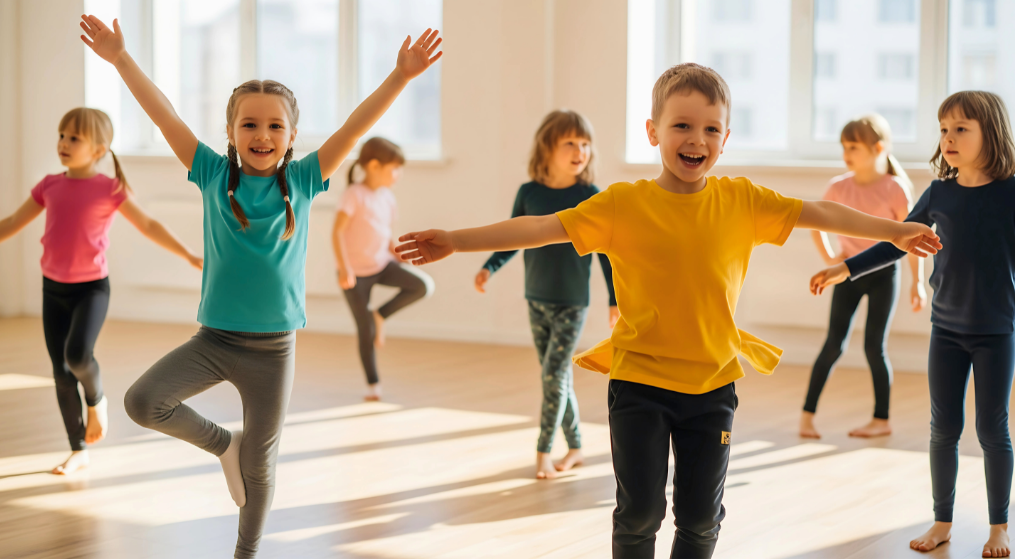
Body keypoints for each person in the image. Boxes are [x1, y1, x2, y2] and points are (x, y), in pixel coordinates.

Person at [394, 63, 939, 558]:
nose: (695, 138)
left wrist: (897, 230)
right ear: (653, 132)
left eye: (709, 128)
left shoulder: (742, 201)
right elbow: (540, 228)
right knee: (639, 514)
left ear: (725, 139)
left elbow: (818, 212)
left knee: (700, 519)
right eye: (681, 125)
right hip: (638, 383)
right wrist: (454, 240)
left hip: (712, 386)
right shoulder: (622, 205)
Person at [80, 13, 442, 558]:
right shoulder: (209, 172)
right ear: (231, 133)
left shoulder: (303, 179)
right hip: (214, 341)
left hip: (274, 351)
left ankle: (245, 553)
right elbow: (164, 115)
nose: (262, 135)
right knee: (142, 401)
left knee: (262, 465)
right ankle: (224, 444)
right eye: (249, 124)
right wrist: (121, 59)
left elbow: (355, 126)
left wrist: (401, 77)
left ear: (292, 135)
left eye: (275, 125)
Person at [811, 90, 1015, 559]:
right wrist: (845, 268)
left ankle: (999, 526)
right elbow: (897, 239)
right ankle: (942, 520)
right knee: (943, 428)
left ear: (992, 133)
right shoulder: (939, 192)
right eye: (944, 129)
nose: (949, 137)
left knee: (991, 429)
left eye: (961, 128)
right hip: (946, 330)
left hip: (996, 332)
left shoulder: (1008, 194)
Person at [0, 107, 201, 475]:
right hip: (52, 288)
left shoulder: (110, 189)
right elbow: (11, 221)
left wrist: (186, 254)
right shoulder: (49, 185)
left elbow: (149, 224)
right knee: (59, 371)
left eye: (74, 138)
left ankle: (96, 399)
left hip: (91, 290)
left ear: (99, 150)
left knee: (78, 355)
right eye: (61, 135)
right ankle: (78, 449)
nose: (64, 143)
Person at [475, 110, 618, 479]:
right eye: (570, 142)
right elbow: (510, 238)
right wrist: (489, 267)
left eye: (585, 144)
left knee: (553, 375)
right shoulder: (529, 194)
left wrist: (615, 299)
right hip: (535, 299)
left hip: (572, 303)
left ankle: (543, 453)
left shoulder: (590, 196)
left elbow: (606, 254)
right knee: (555, 378)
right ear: (547, 148)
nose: (579, 150)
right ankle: (576, 448)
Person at [800, 114, 926, 439]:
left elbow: (910, 243)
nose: (847, 152)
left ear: (878, 148)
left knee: (875, 347)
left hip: (884, 275)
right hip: (848, 275)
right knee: (833, 345)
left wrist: (918, 283)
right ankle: (806, 417)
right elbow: (816, 221)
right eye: (844, 146)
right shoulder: (838, 186)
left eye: (853, 146)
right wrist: (830, 257)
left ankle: (880, 420)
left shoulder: (895, 188)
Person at [334, 136, 434, 402]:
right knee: (364, 329)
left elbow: (384, 234)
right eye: (394, 168)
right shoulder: (354, 195)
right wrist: (344, 268)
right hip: (355, 274)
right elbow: (337, 232)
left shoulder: (387, 197)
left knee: (423, 286)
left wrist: (397, 254)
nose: (398, 175)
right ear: (375, 166)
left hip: (381, 265)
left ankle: (380, 315)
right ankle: (373, 384)